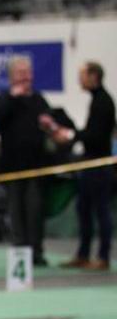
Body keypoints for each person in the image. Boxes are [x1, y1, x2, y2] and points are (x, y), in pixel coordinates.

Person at [41, 62, 115, 270]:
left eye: (82, 75)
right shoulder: (96, 100)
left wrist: (71, 135)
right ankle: (83, 254)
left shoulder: (103, 102)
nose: (79, 79)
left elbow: (96, 137)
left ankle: (103, 257)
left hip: (99, 166)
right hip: (89, 164)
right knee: (83, 209)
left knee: (101, 211)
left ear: (93, 76)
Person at [0, 56, 50, 265]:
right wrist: (12, 98)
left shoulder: (39, 99)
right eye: (21, 72)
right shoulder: (3, 99)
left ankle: (37, 251)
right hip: (12, 167)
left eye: (28, 72)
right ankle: (20, 253)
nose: (26, 76)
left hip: (36, 166)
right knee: (15, 211)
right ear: (11, 76)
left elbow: (52, 121)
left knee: (35, 210)